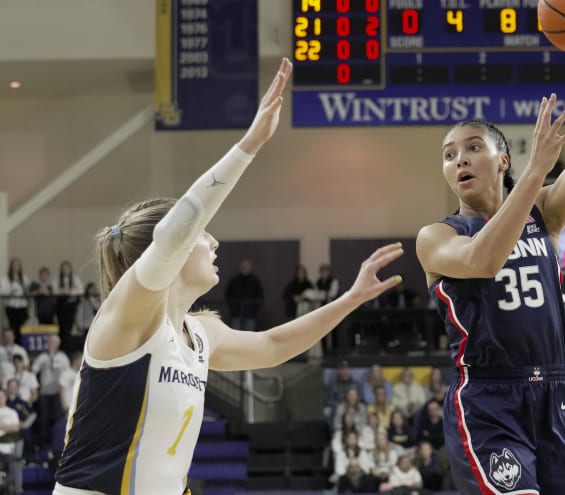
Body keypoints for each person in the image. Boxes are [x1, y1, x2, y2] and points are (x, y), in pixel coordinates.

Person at [53, 59, 404, 495]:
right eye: (203, 236)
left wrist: (351, 297)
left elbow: (273, 346)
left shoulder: (201, 333)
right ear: (176, 249)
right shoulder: (127, 317)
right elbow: (175, 229)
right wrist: (250, 143)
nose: (215, 243)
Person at [414, 2, 565, 492]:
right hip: (488, 399)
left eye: (472, 147)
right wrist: (535, 173)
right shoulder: (438, 236)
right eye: (449, 155)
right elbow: (483, 260)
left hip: (555, 392)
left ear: (501, 159)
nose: (459, 160)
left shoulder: (545, 212)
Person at [224, 259, 264, 331]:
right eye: (243, 267)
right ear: (239, 268)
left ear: (250, 268)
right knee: (236, 334)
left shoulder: (255, 281)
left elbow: (260, 296)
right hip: (236, 313)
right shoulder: (234, 281)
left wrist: (254, 310)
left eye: (246, 267)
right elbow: (228, 295)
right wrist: (233, 308)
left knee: (249, 335)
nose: (244, 268)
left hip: (250, 314)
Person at [0, 257, 30, 339]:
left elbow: (27, 292)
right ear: (11, 267)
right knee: (13, 326)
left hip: (22, 306)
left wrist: (20, 283)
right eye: (14, 265)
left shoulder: (24, 278)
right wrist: (12, 288)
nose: (16, 267)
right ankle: (12, 343)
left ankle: (20, 345)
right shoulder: (5, 279)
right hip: (11, 306)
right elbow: (3, 292)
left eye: (17, 265)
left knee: (21, 327)